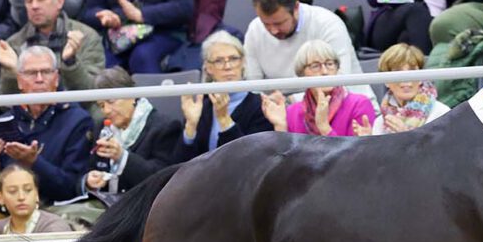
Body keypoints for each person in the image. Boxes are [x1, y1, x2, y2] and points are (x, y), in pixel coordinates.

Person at [0, 46, 95, 209]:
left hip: (56, 211)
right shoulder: (2, 124)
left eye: (46, 72)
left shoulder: (78, 121)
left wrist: (35, 162)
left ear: (56, 78)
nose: (39, 79)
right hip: (9, 214)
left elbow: (72, 188)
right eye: (31, 73)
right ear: (19, 81)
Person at [244, 0, 375, 102]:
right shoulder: (255, 29)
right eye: (266, 24)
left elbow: (338, 82)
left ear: (296, 7)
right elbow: (253, 86)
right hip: (281, 109)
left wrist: (289, 101)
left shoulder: (327, 23)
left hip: (346, 105)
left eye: (279, 23)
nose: (273, 30)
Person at [0, 0, 104, 96]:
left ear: (60, 1)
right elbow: (6, 102)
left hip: (76, 112)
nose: (34, 6)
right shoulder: (14, 43)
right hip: (32, 113)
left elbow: (93, 93)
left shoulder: (86, 37)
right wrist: (12, 71)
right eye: (29, 0)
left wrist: (70, 63)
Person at [82, 66, 181, 194]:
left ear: (132, 96)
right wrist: (91, 180)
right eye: (101, 105)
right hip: (106, 203)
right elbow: (89, 168)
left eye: (111, 101)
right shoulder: (102, 127)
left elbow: (161, 180)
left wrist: (123, 157)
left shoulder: (165, 127)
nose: (106, 110)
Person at [176, 31, 272, 161]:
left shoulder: (261, 106)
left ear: (243, 62)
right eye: (219, 61)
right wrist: (191, 126)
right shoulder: (201, 105)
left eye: (233, 59)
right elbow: (179, 164)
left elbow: (250, 160)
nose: (228, 66)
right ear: (208, 68)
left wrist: (224, 119)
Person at [262, 39, 377, 136]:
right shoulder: (292, 112)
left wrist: (324, 127)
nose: (325, 71)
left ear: (337, 68)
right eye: (315, 66)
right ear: (302, 73)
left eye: (329, 64)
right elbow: (287, 159)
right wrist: (281, 127)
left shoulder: (359, 104)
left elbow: (353, 158)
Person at [352, 42, 449, 135]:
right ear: (386, 80)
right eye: (398, 72)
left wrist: (405, 136)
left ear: (421, 78)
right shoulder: (380, 122)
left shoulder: (442, 113)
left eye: (412, 71)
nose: (406, 79)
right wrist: (369, 142)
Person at [0, 165, 73, 234]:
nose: (21, 197)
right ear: (0, 198)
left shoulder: (54, 226)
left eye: (28, 190)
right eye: (12, 191)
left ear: (36, 194)